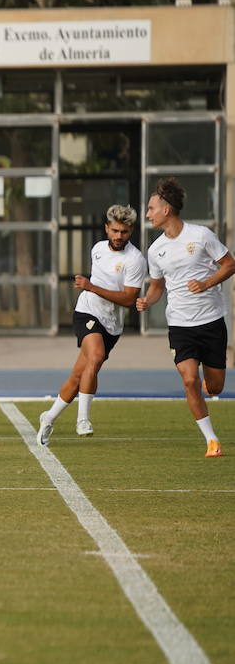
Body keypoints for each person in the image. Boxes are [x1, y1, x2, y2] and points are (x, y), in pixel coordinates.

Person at [135, 178, 235, 458]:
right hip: (180, 325)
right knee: (189, 380)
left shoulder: (201, 235)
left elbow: (230, 264)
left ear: (166, 210)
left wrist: (207, 283)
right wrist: (147, 300)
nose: (147, 214)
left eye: (151, 208)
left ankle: (207, 387)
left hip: (212, 321)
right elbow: (157, 286)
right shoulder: (155, 250)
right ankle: (211, 440)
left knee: (214, 388)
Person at [36, 205, 147, 446]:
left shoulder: (136, 259)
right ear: (107, 228)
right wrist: (90, 290)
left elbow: (128, 299)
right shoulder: (97, 249)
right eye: (115, 230)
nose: (119, 236)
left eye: (125, 232)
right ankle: (83, 419)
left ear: (131, 232)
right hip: (86, 311)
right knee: (95, 356)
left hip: (112, 324)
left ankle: (49, 417)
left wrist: (91, 286)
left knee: (79, 375)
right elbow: (96, 287)